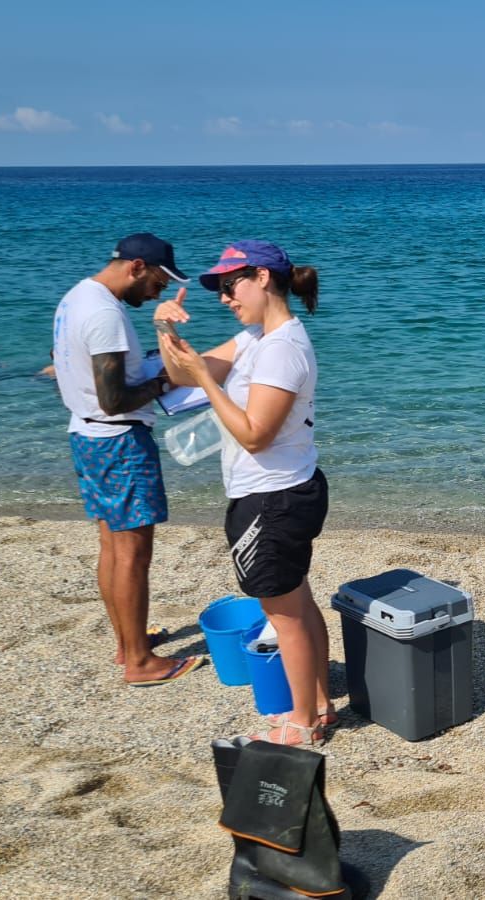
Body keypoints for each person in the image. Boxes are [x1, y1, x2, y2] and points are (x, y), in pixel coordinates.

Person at [156, 240, 333, 745]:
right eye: (220, 288)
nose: (224, 297)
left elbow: (257, 433)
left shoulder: (280, 349)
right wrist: (165, 330)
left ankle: (302, 724)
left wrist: (206, 386)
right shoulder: (256, 339)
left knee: (284, 613)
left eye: (231, 285)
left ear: (263, 279)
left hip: (273, 497)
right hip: (283, 490)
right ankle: (318, 704)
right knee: (296, 602)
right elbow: (177, 377)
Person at [53, 233, 204, 686]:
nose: (159, 289)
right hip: (118, 441)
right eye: (159, 279)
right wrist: (166, 383)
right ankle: (140, 663)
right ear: (137, 267)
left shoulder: (78, 297)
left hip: (87, 434)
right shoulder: (104, 314)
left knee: (112, 547)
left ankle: (127, 642)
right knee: (133, 554)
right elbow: (115, 398)